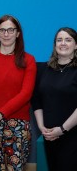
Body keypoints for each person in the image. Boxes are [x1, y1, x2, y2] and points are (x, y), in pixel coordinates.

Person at [0, 15, 37, 171]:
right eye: (2, 30)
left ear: (17, 33)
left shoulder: (28, 60)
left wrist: (1, 114)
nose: (6, 34)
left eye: (10, 30)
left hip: (17, 123)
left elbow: (26, 94)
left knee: (14, 168)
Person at [32, 27, 77, 171]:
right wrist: (41, 127)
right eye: (59, 40)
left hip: (72, 135)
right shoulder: (44, 69)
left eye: (68, 40)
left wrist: (63, 129)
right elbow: (36, 99)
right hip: (50, 136)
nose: (63, 43)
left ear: (76, 45)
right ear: (55, 44)